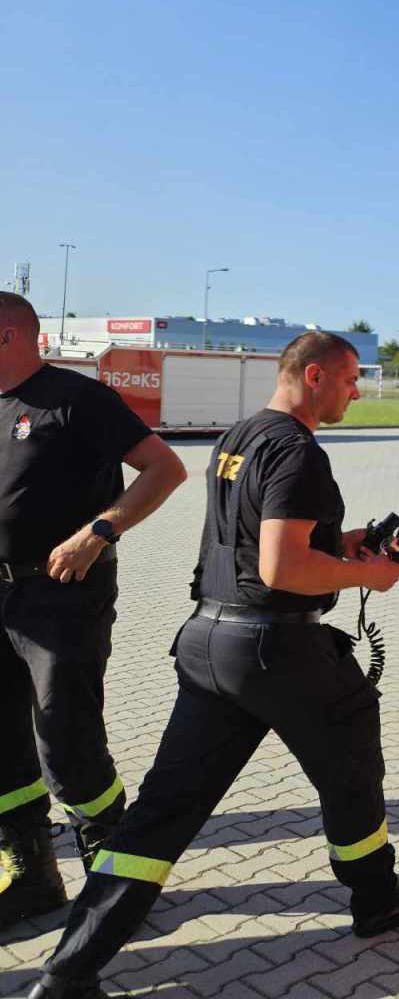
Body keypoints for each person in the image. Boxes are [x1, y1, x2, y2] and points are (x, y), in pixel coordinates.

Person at [29, 331, 399, 999]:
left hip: (208, 645)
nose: (356, 392)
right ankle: (376, 897)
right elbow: (281, 568)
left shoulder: (240, 436)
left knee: (159, 817)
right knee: (352, 767)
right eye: (348, 379)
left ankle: (67, 972)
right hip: (277, 650)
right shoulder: (299, 451)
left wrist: (340, 542)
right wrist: (368, 575)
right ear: (314, 375)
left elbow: (254, 539)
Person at [0, 292, 187, 930]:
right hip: (1, 596)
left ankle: (115, 875)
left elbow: (164, 469)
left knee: (66, 739)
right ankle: (31, 874)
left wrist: (98, 532)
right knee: (3, 741)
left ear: (8, 336)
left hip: (61, 595)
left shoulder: (77, 399)